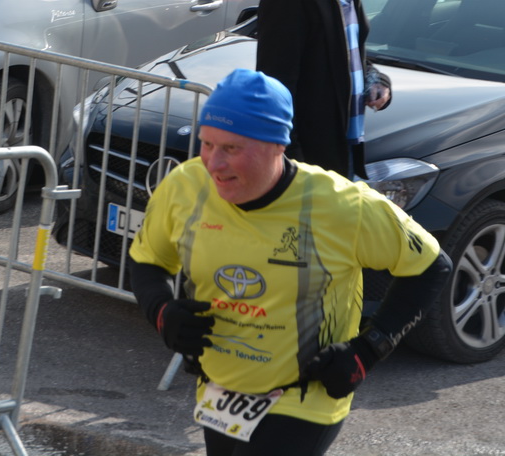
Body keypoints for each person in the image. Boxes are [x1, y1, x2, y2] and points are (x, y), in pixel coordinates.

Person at [128, 69, 452, 455]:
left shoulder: (341, 205)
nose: (214, 163)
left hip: (306, 397)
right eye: (207, 144)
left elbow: (432, 266)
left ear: (277, 146)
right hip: (221, 389)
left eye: (231, 148)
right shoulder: (185, 186)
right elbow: (147, 261)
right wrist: (161, 311)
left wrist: (369, 349)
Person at [256, 0, 392, 179]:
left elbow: (349, 54)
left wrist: (377, 80)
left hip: (345, 147)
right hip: (308, 161)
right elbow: (274, 88)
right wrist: (293, 164)